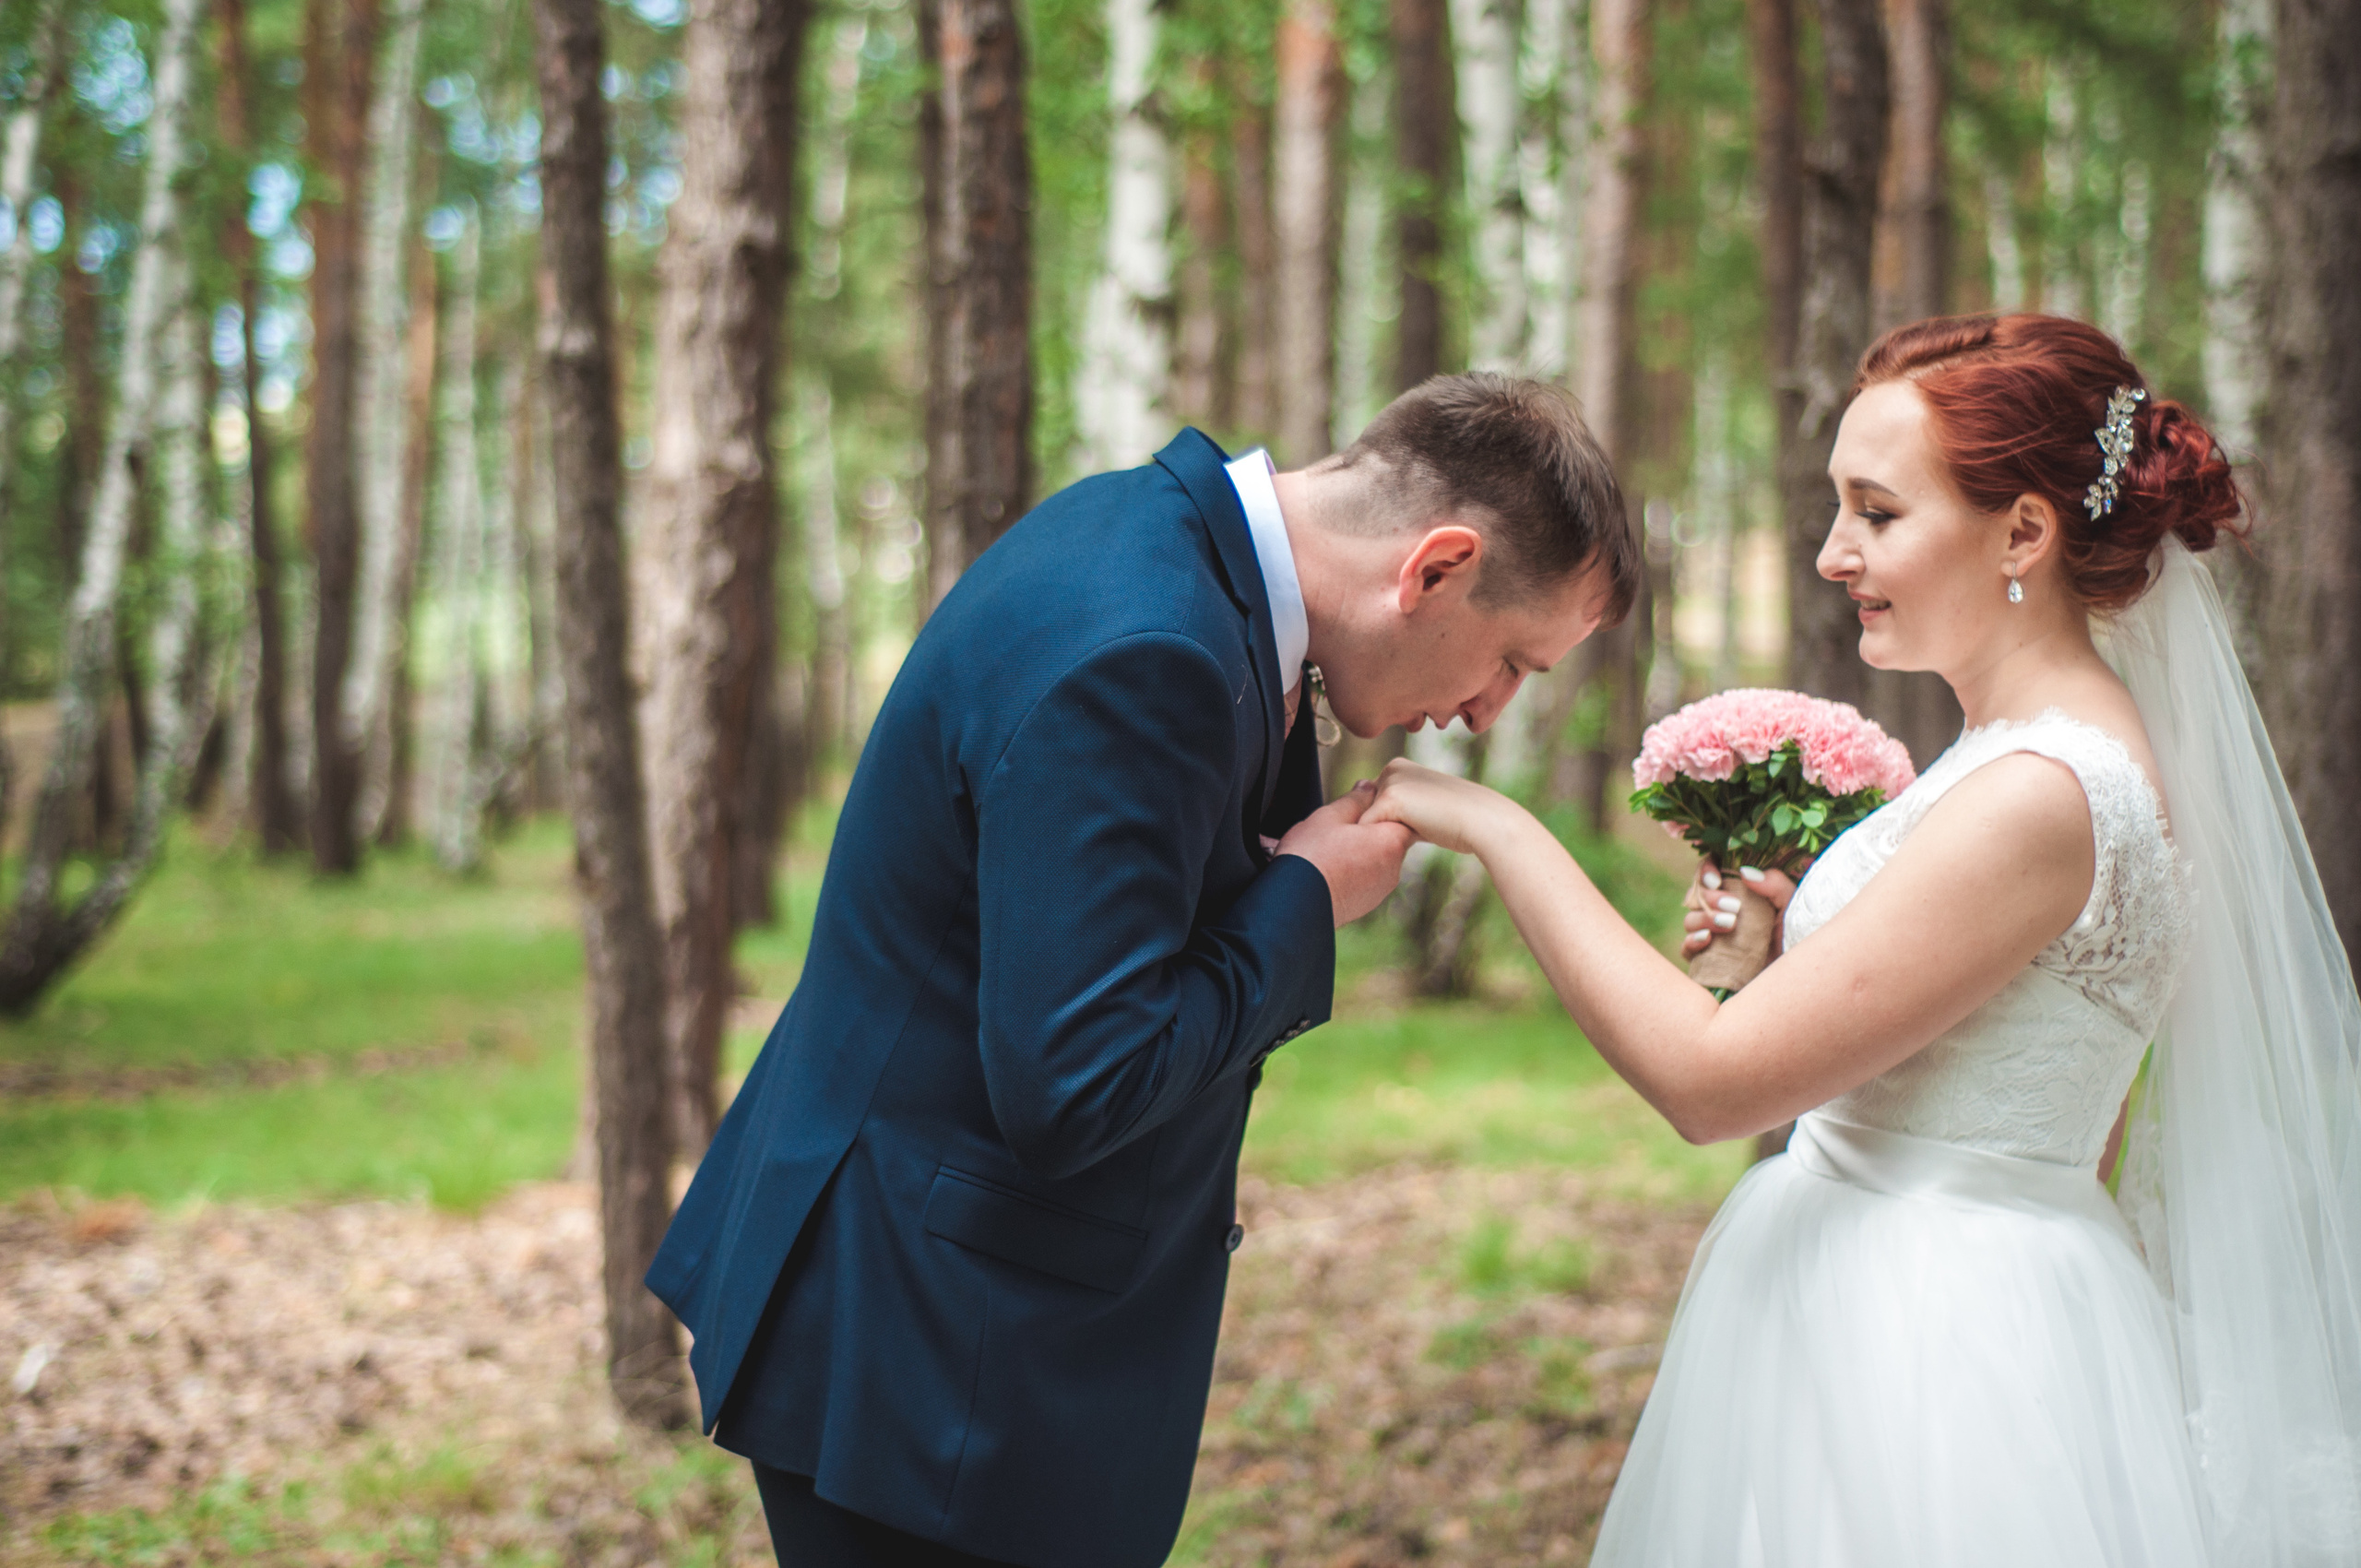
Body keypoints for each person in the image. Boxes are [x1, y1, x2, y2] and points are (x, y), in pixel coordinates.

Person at [1367, 315, 2361, 1565]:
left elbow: (1711, 1087)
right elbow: (2011, 1072)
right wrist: (1779, 961)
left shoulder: (2042, 792)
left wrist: (1497, 829)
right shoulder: (2024, 760)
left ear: (2023, 533)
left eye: (1877, 513)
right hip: (1893, 1295)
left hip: (1936, 1353)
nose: (1835, 554)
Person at [646, 374, 1642, 1568]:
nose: (1486, 712)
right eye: (1515, 661)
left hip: (940, 1320)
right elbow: (1077, 1083)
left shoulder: (1163, 538)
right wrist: (1305, 904)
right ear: (1434, 569)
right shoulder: (1148, 649)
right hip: (929, 1364)